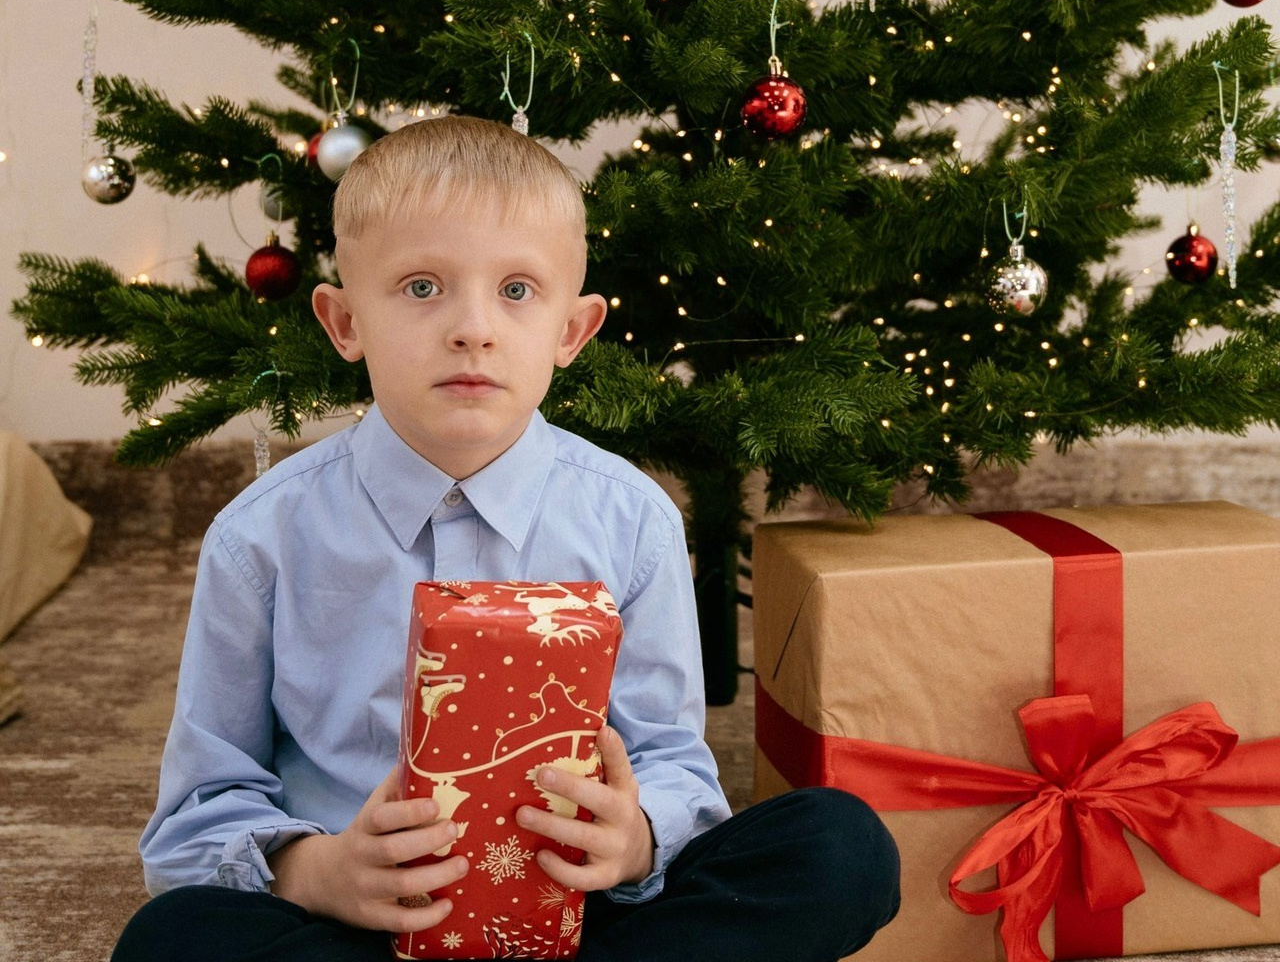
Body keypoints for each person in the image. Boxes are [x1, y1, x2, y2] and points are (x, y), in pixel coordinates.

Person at [112, 115, 899, 962]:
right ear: (344, 322)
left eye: (517, 290)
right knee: (171, 940)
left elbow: (673, 763)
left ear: (572, 332)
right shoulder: (259, 537)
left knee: (840, 846)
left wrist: (634, 838)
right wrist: (320, 872)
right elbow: (195, 817)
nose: (473, 328)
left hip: (585, 916)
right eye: (422, 287)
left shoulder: (633, 520)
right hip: (356, 926)